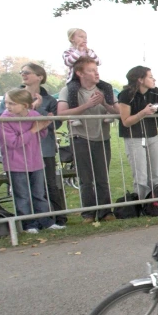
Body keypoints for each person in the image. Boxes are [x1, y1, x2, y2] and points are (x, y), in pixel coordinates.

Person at [0, 63, 67, 226]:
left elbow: (42, 133)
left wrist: (42, 126)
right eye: (7, 103)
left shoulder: (34, 114)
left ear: (25, 105)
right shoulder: (5, 120)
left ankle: (46, 222)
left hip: (35, 161)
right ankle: (28, 224)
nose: (8, 106)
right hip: (16, 163)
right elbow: (13, 142)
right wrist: (33, 130)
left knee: (39, 193)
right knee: (22, 195)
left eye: (12, 104)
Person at [58, 56, 120, 223]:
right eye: (91, 70)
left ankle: (106, 212)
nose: (96, 73)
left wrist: (105, 104)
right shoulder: (69, 90)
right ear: (79, 73)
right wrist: (87, 105)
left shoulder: (106, 89)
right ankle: (88, 213)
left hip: (102, 137)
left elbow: (119, 113)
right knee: (86, 179)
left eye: (96, 69)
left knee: (102, 177)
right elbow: (61, 114)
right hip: (80, 137)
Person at [117, 66, 158, 199]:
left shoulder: (155, 92)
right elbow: (125, 121)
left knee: (156, 173)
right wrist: (143, 113)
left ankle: (157, 202)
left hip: (152, 135)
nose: (154, 79)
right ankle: (143, 203)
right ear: (140, 79)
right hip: (133, 137)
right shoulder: (126, 95)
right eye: (150, 77)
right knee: (141, 176)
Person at [61, 28, 115, 113]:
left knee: (107, 86)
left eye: (85, 37)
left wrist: (89, 52)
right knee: (72, 89)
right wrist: (78, 51)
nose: (84, 39)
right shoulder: (68, 52)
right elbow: (68, 62)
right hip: (74, 78)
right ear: (72, 39)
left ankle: (109, 108)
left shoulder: (89, 51)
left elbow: (98, 62)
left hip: (89, 77)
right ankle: (74, 116)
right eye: (81, 37)